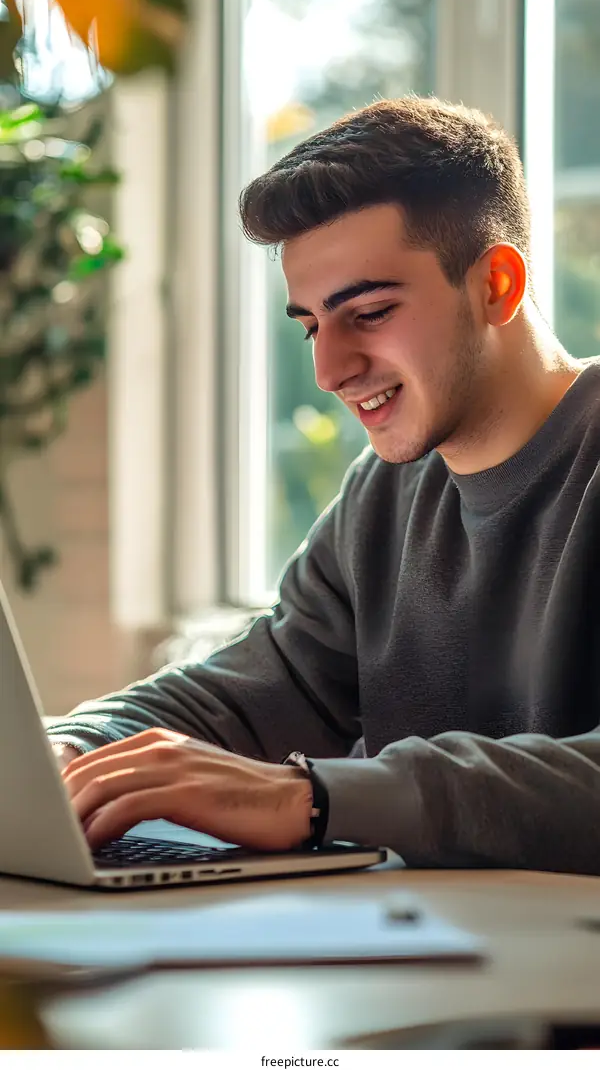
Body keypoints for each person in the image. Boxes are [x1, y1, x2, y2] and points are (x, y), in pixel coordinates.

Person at [49, 96, 600, 874]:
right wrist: (67, 750)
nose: (329, 372)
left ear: (497, 286)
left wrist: (312, 798)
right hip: (426, 968)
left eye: (368, 312)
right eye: (310, 324)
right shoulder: (381, 496)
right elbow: (242, 693)